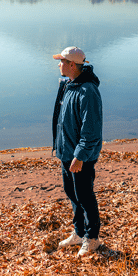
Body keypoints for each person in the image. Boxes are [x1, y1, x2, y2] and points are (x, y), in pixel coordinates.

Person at [51, 46, 103, 257]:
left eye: (62, 61)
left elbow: (91, 130)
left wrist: (80, 156)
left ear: (72, 65)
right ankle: (79, 233)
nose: (59, 64)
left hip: (80, 157)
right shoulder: (69, 85)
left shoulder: (87, 92)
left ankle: (92, 239)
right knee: (72, 194)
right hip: (66, 152)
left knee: (84, 196)